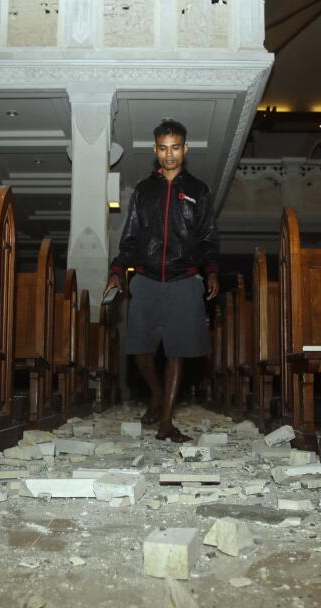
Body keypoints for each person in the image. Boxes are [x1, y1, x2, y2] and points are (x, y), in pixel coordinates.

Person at [103, 119, 219, 443]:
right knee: (140, 350)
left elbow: (208, 237)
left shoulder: (198, 191)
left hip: (184, 279)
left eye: (176, 148)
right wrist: (116, 271)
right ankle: (156, 394)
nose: (170, 155)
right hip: (146, 278)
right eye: (164, 148)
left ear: (185, 149)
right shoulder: (143, 190)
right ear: (156, 150)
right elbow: (129, 238)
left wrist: (210, 271)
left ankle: (166, 421)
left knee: (176, 352)